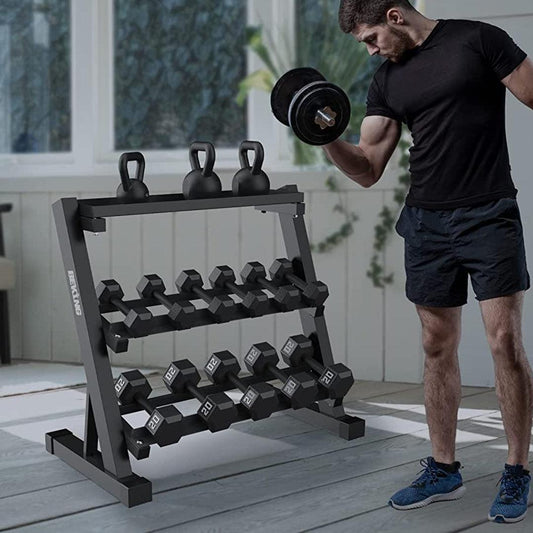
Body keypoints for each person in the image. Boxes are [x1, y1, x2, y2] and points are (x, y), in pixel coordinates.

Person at [323, 0, 533, 524]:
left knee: (504, 341)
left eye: (372, 38)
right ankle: (444, 468)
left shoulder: (478, 39)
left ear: (395, 16)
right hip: (427, 223)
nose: (371, 50)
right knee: (436, 345)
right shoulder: (387, 81)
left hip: (488, 214)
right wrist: (323, 136)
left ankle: (517, 469)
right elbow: (369, 167)